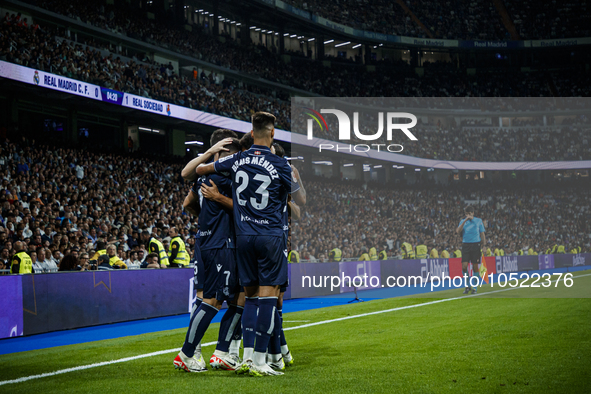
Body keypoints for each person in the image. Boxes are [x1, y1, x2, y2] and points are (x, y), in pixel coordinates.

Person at [196, 112, 296, 376]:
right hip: (270, 236)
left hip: (242, 238)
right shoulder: (281, 163)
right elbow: (298, 197)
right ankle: (262, 361)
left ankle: (248, 358)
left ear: (251, 133)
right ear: (272, 134)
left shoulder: (237, 158)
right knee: (268, 297)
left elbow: (200, 170)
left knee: (249, 297)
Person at [174, 137, 244, 373]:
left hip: (206, 240)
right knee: (214, 300)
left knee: (230, 296)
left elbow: (188, 203)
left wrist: (205, 217)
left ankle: (217, 352)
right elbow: (247, 210)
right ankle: (187, 352)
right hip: (221, 243)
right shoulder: (225, 178)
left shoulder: (203, 178)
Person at [456, 206, 486, 294]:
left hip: (475, 245)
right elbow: (458, 231)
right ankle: (468, 286)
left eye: (469, 214)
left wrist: (484, 245)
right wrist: (465, 220)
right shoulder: (463, 221)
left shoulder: (478, 221)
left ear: (473, 213)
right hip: (466, 245)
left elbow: (482, 234)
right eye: (466, 214)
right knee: (464, 266)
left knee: (475, 266)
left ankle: (475, 287)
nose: (468, 215)